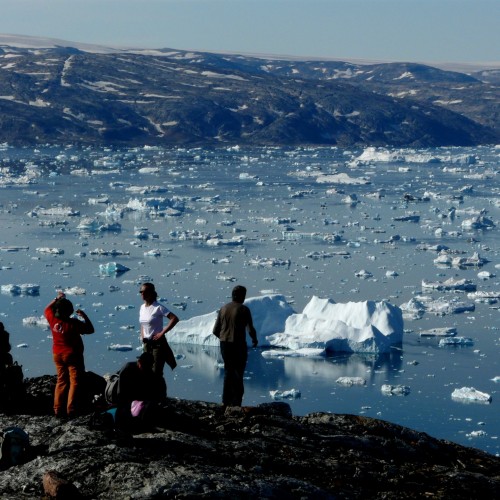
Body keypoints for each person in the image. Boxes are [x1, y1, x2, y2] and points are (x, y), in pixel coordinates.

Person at [44, 291, 95, 419]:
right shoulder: (73, 323)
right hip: (72, 355)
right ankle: (71, 409)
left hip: (57, 354)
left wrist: (56, 298)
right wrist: (84, 316)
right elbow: (90, 329)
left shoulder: (52, 319)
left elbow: (47, 309)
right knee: (74, 382)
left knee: (61, 381)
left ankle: (58, 409)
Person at [212, 285, 258, 407]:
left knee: (228, 371)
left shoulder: (223, 309)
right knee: (238, 373)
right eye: (244, 295)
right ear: (241, 296)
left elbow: (215, 330)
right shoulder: (244, 309)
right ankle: (237, 402)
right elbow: (250, 328)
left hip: (225, 344)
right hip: (238, 345)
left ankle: (225, 401)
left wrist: (224, 339)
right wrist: (254, 339)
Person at [139, 282, 179, 396]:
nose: (142, 293)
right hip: (147, 343)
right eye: (141, 291)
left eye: (144, 291)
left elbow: (174, 318)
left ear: (151, 293)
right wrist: (142, 335)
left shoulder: (158, 307)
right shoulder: (142, 308)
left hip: (157, 344)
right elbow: (142, 323)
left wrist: (162, 333)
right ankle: (150, 395)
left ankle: (161, 395)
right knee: (146, 371)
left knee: (156, 371)